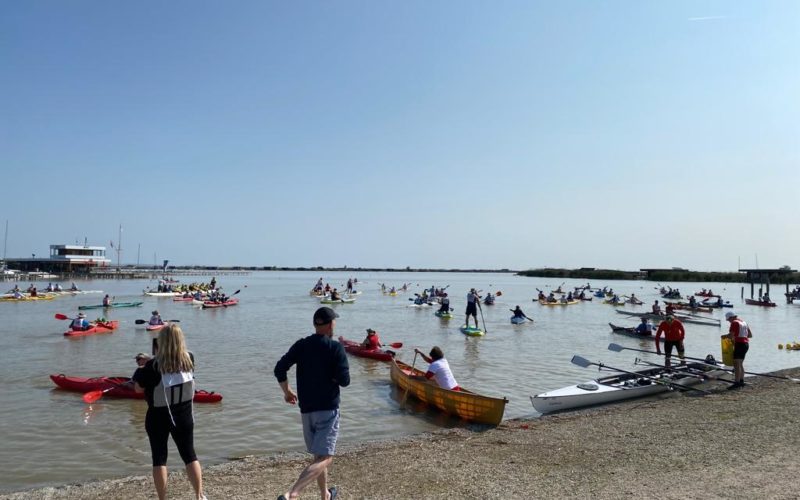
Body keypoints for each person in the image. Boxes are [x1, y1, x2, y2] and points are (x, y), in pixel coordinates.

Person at [274, 307, 350, 500]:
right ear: (330, 324)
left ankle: (325, 495)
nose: (335, 324)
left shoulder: (302, 345)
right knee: (326, 457)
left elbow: (279, 369)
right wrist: (331, 374)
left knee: (318, 457)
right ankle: (292, 494)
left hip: (306, 410)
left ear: (316, 324)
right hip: (328, 410)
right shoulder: (335, 348)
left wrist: (287, 391)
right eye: (334, 321)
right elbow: (345, 381)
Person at [133, 325, 206, 500]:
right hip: (184, 415)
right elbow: (172, 366)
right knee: (190, 455)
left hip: (158, 417)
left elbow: (137, 389)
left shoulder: (152, 366)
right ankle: (199, 495)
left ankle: (162, 498)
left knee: (159, 458)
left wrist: (142, 369)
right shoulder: (190, 358)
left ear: (162, 342)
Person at [726, 311, 752, 389]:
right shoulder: (744, 322)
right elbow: (750, 335)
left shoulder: (734, 323)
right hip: (746, 344)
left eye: (728, 320)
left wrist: (725, 336)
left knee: (736, 364)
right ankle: (741, 380)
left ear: (731, 317)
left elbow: (731, 336)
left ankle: (736, 383)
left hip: (739, 344)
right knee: (740, 363)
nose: (729, 321)